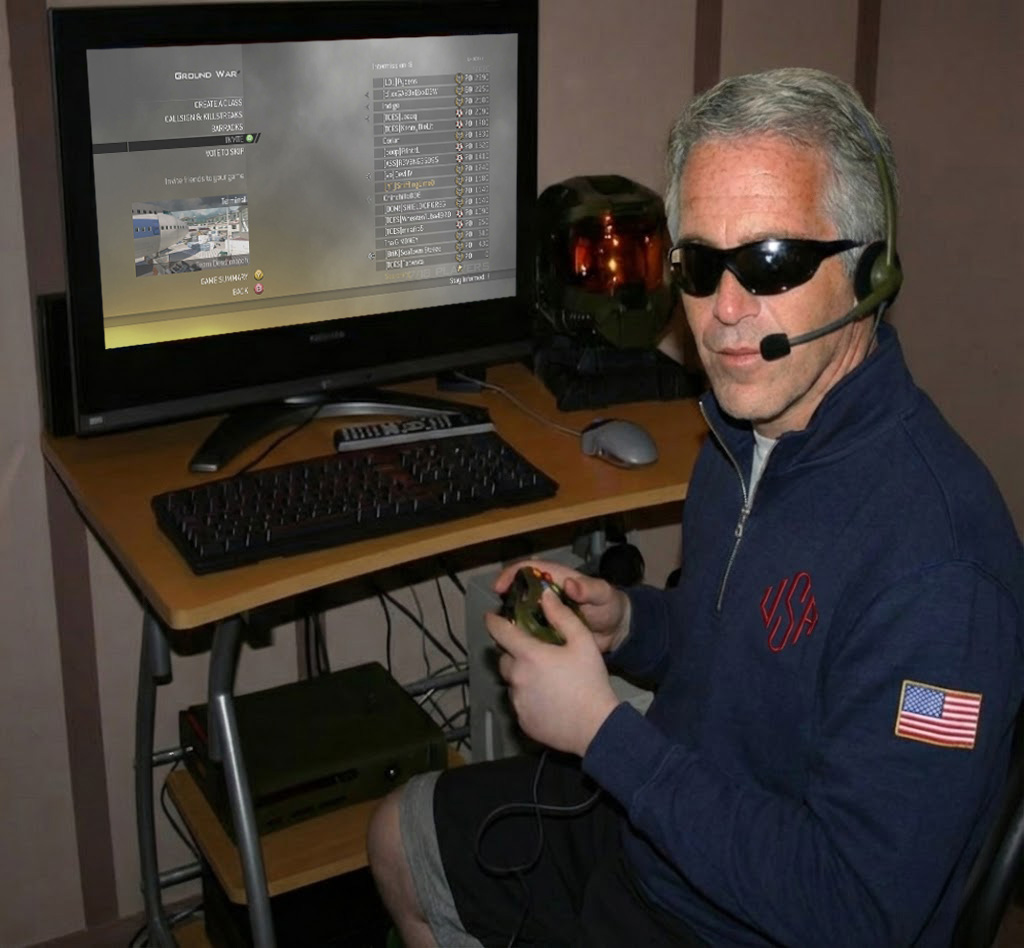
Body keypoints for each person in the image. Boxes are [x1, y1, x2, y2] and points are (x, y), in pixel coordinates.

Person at [366, 67, 1024, 947]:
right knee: (400, 836)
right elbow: (740, 648)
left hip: (747, 918)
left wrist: (603, 733)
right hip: (662, 825)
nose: (724, 311)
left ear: (871, 271)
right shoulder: (744, 435)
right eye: (701, 264)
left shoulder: (942, 575)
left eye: (771, 262)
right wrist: (631, 625)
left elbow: (858, 911)